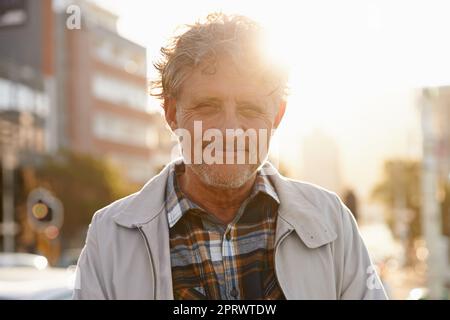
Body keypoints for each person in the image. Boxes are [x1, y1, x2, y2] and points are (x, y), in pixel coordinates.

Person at [73, 13, 387, 300]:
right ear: (172, 113)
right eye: (208, 106)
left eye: (250, 109)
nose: (230, 129)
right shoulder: (110, 236)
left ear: (276, 117)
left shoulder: (331, 222)